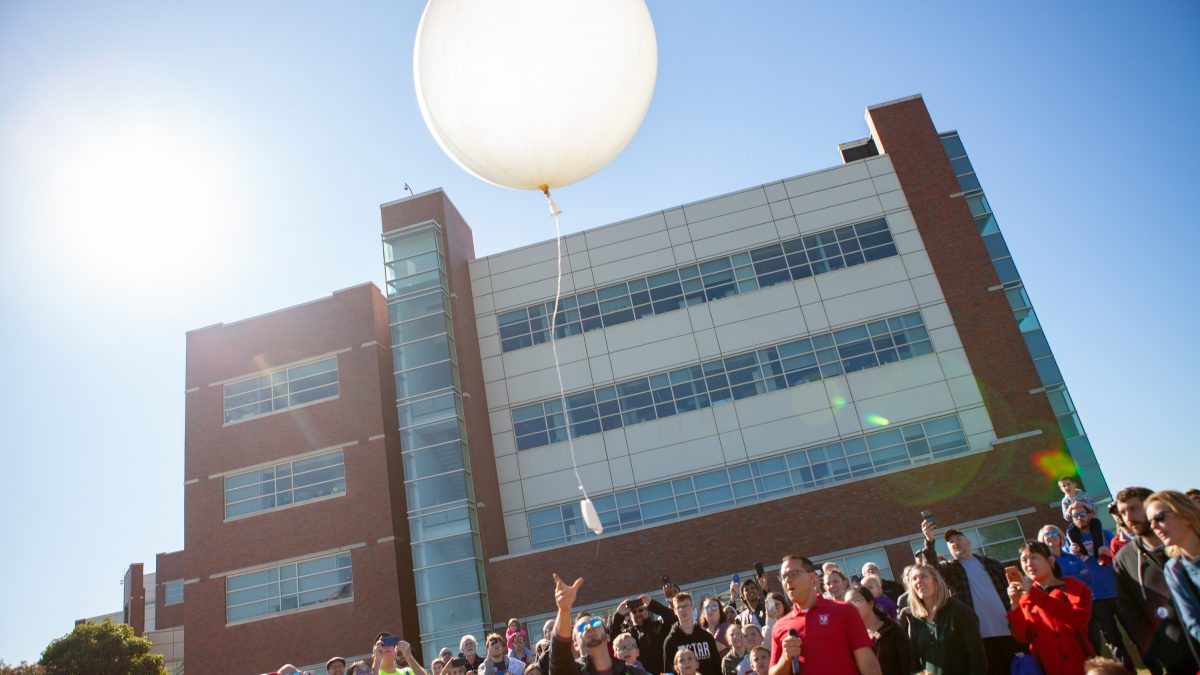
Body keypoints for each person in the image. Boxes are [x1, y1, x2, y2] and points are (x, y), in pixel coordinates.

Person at [1114, 486, 1199, 674]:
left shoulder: (1184, 546)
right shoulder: (1124, 559)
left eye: (1134, 509)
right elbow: (1129, 612)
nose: (1128, 517)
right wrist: (1157, 650)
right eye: (1123, 512)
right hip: (1176, 658)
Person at [919, 517, 1017, 674]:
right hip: (978, 638)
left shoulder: (992, 564)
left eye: (958, 538)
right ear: (949, 549)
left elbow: (1011, 590)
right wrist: (929, 540)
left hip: (1008, 631)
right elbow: (932, 568)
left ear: (969, 542)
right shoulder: (951, 569)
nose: (955, 542)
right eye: (950, 542)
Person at [768, 554, 881, 675]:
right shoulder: (779, 627)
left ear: (812, 577)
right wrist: (785, 658)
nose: (788, 580)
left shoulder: (844, 611)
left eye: (794, 574)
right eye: (783, 576)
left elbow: (867, 662)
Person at [1060, 503, 1135, 671]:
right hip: (1095, 598)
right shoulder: (1069, 543)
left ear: (1089, 514)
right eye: (1075, 516)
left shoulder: (1106, 535)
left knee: (1135, 631)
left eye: (1082, 514)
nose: (1079, 518)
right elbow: (1066, 567)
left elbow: (1122, 559)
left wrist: (1109, 553)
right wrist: (1073, 553)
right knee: (1114, 640)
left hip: (1116, 591)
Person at [1006, 540, 1094, 675]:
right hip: (1047, 667)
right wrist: (1015, 605)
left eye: (1034, 557)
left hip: (1079, 664)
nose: (1028, 563)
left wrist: (1035, 595)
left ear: (1051, 560)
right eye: (1023, 560)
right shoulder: (1026, 596)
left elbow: (1078, 620)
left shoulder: (1073, 586)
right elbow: (1023, 637)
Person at [548, 573, 650, 675]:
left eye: (595, 623)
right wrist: (564, 610)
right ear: (576, 645)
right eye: (581, 627)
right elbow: (559, 654)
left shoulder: (633, 672)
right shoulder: (571, 672)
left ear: (607, 637)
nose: (589, 627)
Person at [899, 562, 986, 675]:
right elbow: (915, 660)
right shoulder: (915, 618)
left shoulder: (959, 611)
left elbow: (978, 657)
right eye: (914, 579)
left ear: (936, 581)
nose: (918, 581)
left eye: (924, 576)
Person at [1146, 491, 1200, 645]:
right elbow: (1193, 622)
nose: (1154, 526)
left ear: (1186, 514)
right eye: (1151, 522)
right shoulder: (1174, 569)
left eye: (1160, 518)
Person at [844, 585, 907, 675]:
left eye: (856, 601)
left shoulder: (892, 630)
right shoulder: (852, 637)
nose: (853, 607)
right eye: (848, 605)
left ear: (871, 603)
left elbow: (908, 664)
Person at [609, 592, 676, 675]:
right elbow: (611, 635)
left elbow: (673, 618)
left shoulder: (659, 627)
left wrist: (652, 604)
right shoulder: (628, 634)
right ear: (630, 615)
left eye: (641, 610)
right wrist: (619, 615)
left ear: (647, 610)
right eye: (634, 612)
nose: (638, 613)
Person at [663, 592, 721, 675]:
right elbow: (669, 672)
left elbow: (717, 667)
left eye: (686, 606)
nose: (683, 610)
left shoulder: (707, 637)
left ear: (692, 608)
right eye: (679, 607)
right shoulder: (670, 641)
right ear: (675, 611)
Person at [1060, 477, 1110, 565]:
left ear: (1074, 485)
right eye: (1064, 486)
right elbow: (1066, 517)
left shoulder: (1084, 495)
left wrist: (1083, 504)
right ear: (1061, 489)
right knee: (1070, 531)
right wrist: (1070, 508)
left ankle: (1100, 553)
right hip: (1076, 524)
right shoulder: (1065, 501)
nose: (1067, 487)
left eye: (1068, 484)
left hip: (1092, 519)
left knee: (1097, 526)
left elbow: (1094, 508)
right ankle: (1081, 554)